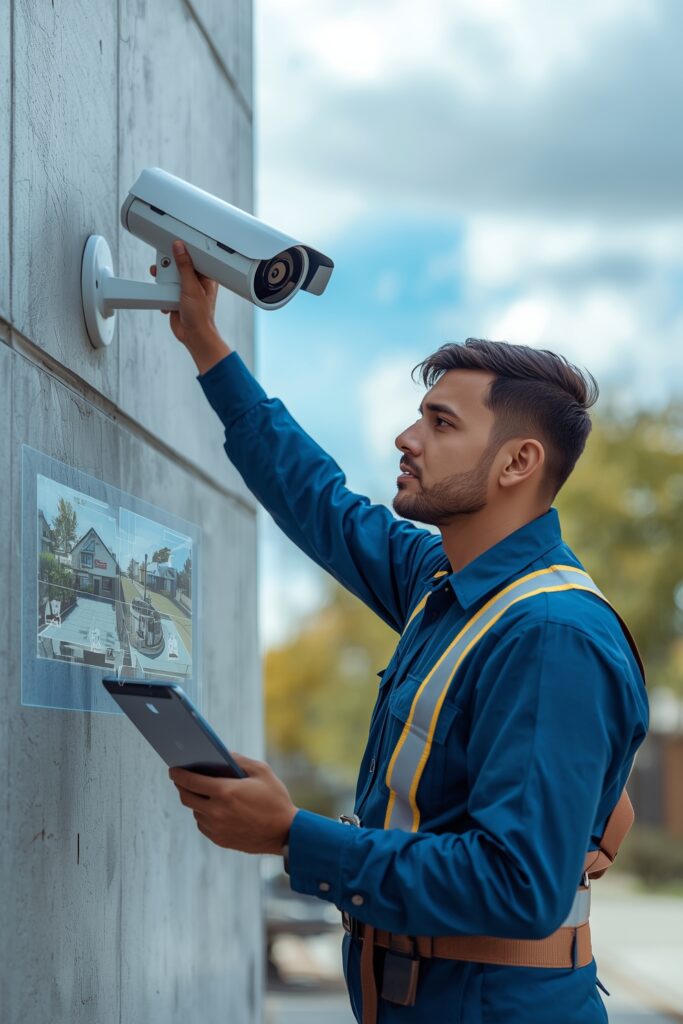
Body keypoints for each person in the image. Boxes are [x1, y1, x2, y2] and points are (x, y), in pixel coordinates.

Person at [158, 240, 649, 1023]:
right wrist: (207, 345)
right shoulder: (442, 585)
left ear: (516, 462)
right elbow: (318, 501)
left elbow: (516, 882)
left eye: (439, 422)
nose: (404, 438)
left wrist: (293, 835)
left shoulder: (551, 636)